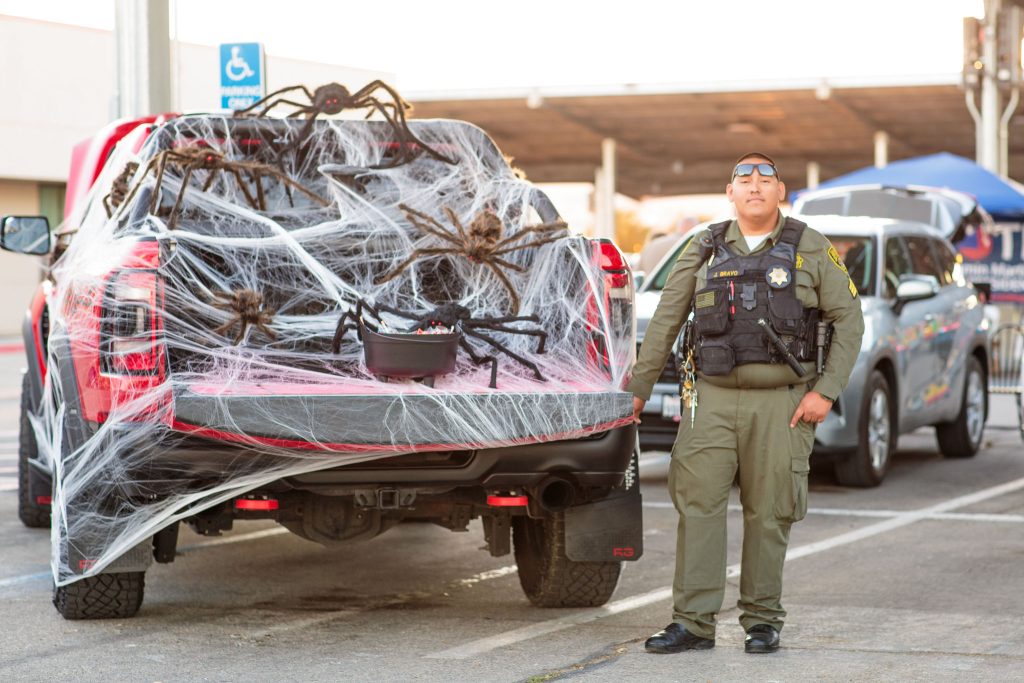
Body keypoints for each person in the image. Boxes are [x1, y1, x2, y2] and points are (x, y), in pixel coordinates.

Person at [629, 153, 864, 655]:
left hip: (783, 403)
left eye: (765, 179)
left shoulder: (810, 246)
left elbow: (850, 320)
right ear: (729, 193)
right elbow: (667, 317)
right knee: (699, 507)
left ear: (782, 192)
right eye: (744, 179)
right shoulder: (704, 246)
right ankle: (692, 623)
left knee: (770, 512)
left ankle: (762, 621)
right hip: (710, 401)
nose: (754, 186)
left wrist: (825, 392)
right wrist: (639, 388)